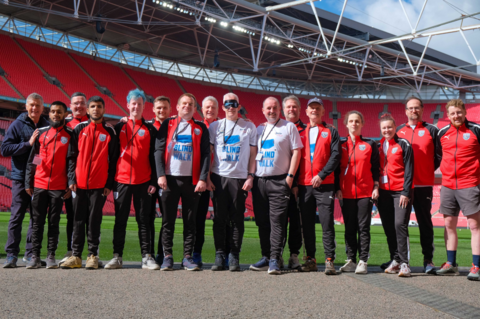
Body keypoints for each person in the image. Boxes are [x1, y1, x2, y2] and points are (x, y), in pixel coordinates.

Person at [155, 93, 210, 271]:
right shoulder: (168, 124)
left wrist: (202, 178)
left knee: (190, 221)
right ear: (177, 107)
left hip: (192, 182)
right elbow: (159, 150)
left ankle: (187, 257)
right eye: (184, 104)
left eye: (191, 104)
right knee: (167, 221)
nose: (187, 106)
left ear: (195, 108)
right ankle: (167, 257)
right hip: (169, 179)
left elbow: (206, 155)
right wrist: (161, 174)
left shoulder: (200, 127)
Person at [61, 96, 118, 270]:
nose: (95, 109)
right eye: (92, 106)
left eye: (99, 106)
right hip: (79, 184)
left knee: (94, 220)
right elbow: (71, 156)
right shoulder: (79, 128)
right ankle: (76, 256)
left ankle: (92, 255)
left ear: (103, 109)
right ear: (88, 109)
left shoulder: (110, 131)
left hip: (99, 185)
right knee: (77, 219)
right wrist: (71, 179)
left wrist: (109, 183)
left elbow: (113, 160)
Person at [104, 89, 158, 270]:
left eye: (139, 104)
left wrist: (153, 181)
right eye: (133, 103)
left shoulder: (150, 129)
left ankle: (147, 257)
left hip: (144, 181)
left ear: (144, 106)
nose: (136, 106)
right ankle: (117, 256)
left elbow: (154, 157)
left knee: (144, 221)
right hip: (121, 181)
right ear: (127, 105)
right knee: (120, 220)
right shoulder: (118, 127)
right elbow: (110, 155)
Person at [250, 97, 302, 275]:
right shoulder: (258, 129)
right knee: (262, 222)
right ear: (263, 110)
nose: (271, 111)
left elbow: (297, 152)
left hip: (280, 181)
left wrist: (289, 177)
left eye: (274, 108)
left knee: (277, 222)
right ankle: (266, 257)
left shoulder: (289, 127)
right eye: (268, 108)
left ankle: (274, 259)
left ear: (279, 109)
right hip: (259, 181)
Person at [207, 93, 257, 271]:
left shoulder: (249, 126)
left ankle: (234, 255)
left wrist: (251, 176)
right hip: (218, 177)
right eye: (227, 104)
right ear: (223, 107)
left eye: (233, 103)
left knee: (237, 219)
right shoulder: (215, 126)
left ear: (239, 105)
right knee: (219, 218)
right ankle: (220, 254)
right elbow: (209, 153)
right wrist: (206, 176)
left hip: (239, 178)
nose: (230, 107)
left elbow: (253, 155)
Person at [1, 93, 49, 268]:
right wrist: (28, 144)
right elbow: (5, 149)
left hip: (40, 179)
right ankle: (11, 255)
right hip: (21, 178)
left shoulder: (47, 126)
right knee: (17, 216)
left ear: (43, 108)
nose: (34, 108)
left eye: (38, 105)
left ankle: (30, 255)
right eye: (31, 105)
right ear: (26, 106)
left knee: (36, 219)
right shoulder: (17, 125)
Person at [25, 101, 73, 269]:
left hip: (58, 187)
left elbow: (71, 163)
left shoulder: (70, 135)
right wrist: (28, 181)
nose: (55, 114)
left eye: (59, 112)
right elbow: (34, 159)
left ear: (65, 114)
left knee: (54, 222)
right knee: (37, 222)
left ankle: (51, 255)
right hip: (39, 184)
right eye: (52, 111)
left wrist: (70, 183)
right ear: (49, 113)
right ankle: (35, 256)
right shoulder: (41, 134)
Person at [437, 99, 480, 280]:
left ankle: (477, 266)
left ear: (464, 112)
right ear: (448, 115)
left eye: (459, 112)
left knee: (474, 226)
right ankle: (451, 264)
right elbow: (439, 155)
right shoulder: (442, 133)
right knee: (448, 225)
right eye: (453, 113)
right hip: (447, 185)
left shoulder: (476, 130)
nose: (456, 116)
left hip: (470, 183)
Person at [395, 96, 439, 274]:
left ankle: (428, 260)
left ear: (422, 109)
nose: (413, 111)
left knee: (425, 223)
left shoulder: (432, 130)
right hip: (402, 187)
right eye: (410, 108)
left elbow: (438, 156)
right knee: (400, 224)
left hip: (423, 185)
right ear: (406, 111)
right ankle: (400, 260)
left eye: (416, 108)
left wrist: (427, 170)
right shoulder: (398, 131)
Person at [296, 97, 340, 275]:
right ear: (306, 112)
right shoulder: (299, 132)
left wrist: (322, 175)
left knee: (326, 223)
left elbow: (335, 156)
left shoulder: (330, 131)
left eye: (317, 108)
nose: (314, 111)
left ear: (323, 112)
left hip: (325, 184)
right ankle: (310, 260)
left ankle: (329, 260)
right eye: (311, 108)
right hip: (304, 184)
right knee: (306, 224)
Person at [335, 111, 379, 274]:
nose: (354, 124)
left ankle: (363, 260)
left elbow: (375, 167)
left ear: (362, 124)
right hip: (345, 193)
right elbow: (336, 169)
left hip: (365, 192)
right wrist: (337, 188)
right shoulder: (340, 145)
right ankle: (351, 259)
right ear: (346, 124)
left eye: (357, 121)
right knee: (349, 228)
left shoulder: (370, 144)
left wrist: (375, 186)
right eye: (351, 121)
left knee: (363, 227)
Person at [377, 113, 414, 277]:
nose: (387, 130)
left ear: (395, 127)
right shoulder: (378, 146)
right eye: (384, 128)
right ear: (380, 129)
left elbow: (409, 170)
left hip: (401, 192)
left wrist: (406, 192)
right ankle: (395, 259)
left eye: (390, 127)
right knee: (388, 227)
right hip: (383, 193)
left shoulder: (403, 144)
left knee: (400, 225)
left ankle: (405, 263)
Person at [59, 92, 90, 266]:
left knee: (91, 217)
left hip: (89, 179)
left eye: (81, 103)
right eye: (75, 103)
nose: (78, 106)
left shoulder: (93, 123)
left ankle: (93, 252)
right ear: (70, 106)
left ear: (86, 105)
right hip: (71, 181)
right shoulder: (65, 124)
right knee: (72, 217)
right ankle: (72, 251)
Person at [193, 95, 219, 267]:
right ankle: (196, 253)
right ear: (201, 109)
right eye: (207, 107)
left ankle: (223, 253)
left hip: (219, 177)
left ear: (218, 110)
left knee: (222, 218)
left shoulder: (224, 126)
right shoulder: (197, 127)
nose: (209, 110)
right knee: (198, 218)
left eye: (213, 107)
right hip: (200, 178)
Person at [280, 95, 306, 270]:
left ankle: (294, 255)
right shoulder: (278, 128)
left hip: (301, 184)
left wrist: (296, 182)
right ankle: (277, 255)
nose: (291, 109)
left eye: (294, 107)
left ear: (299, 109)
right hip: (279, 183)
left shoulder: (307, 130)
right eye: (288, 107)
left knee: (296, 222)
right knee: (278, 221)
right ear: (283, 109)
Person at [147, 96, 171, 265]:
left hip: (167, 180)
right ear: (153, 110)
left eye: (164, 108)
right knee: (148, 218)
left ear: (170, 110)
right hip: (148, 180)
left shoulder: (174, 127)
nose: (161, 111)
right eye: (159, 108)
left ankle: (162, 253)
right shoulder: (147, 127)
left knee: (166, 219)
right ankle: (148, 254)